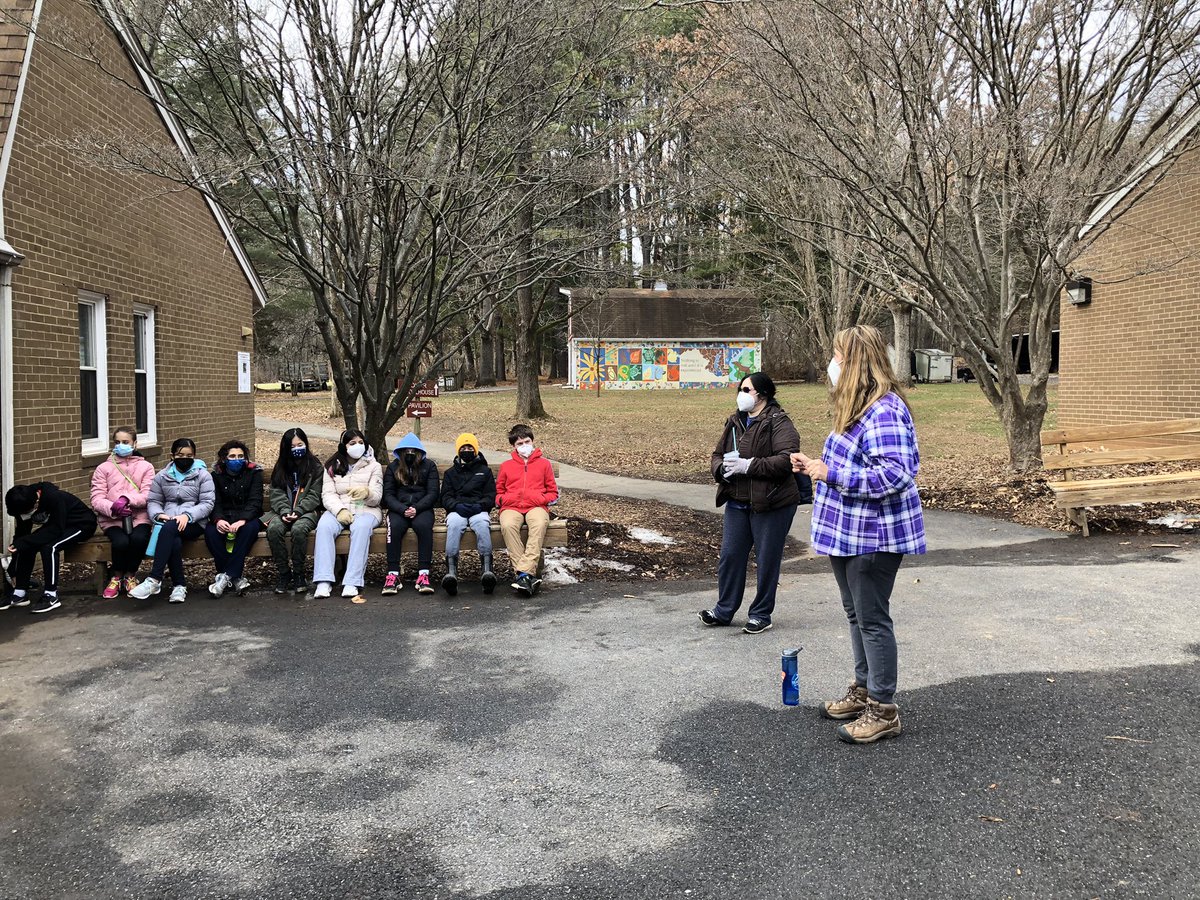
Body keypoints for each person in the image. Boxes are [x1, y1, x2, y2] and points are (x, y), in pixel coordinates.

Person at [792, 324, 926, 745]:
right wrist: (817, 466)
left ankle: (884, 710)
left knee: (872, 619)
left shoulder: (884, 410)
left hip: (873, 535)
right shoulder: (856, 408)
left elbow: (896, 474)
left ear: (855, 362)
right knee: (857, 615)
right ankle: (864, 690)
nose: (831, 363)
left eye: (837, 356)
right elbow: (854, 464)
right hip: (846, 533)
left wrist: (831, 473)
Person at [698, 372, 800, 634]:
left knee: (767, 559)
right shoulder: (735, 421)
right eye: (740, 389)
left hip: (771, 503)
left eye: (746, 390)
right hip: (737, 500)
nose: (741, 395)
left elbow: (787, 460)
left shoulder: (779, 422)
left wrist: (748, 466)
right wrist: (721, 469)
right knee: (730, 556)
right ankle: (724, 610)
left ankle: (761, 614)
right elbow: (717, 454)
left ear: (762, 394)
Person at [130, 438, 216, 604]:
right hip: (169, 521)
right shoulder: (162, 476)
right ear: (172, 456)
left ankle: (154, 579)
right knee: (173, 541)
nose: (185, 458)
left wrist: (187, 516)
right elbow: (154, 501)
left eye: (189, 455)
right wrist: (159, 515)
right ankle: (179, 586)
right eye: (180, 455)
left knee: (168, 530)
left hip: (194, 523)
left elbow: (207, 503)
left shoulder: (203, 475)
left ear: (194, 456)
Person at [2, 482, 97, 614]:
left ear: (35, 503)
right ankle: (19, 593)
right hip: (58, 525)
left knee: (50, 548)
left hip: (81, 524)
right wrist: (13, 568)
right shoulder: (21, 503)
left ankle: (51, 595)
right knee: (26, 545)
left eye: (26, 513)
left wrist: (24, 541)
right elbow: (22, 536)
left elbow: (56, 530)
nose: (24, 516)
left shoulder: (54, 498)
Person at [311, 429, 383, 599]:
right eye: (352, 443)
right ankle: (323, 580)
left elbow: (377, 497)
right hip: (339, 509)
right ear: (344, 446)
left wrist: (367, 493)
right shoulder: (331, 466)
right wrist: (340, 510)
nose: (357, 446)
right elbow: (328, 494)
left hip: (366, 509)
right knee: (324, 527)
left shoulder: (374, 466)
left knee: (361, 528)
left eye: (360, 442)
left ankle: (352, 581)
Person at [90, 426, 156, 599]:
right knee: (120, 542)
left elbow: (148, 494)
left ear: (135, 443)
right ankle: (117, 576)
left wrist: (128, 499)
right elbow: (96, 498)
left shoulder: (146, 467)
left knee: (139, 539)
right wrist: (113, 507)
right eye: (117, 442)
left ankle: (130, 575)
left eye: (126, 442)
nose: (121, 445)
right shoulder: (103, 468)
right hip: (112, 519)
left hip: (139, 516)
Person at [495, 424, 558, 597]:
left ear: (532, 441)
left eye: (527, 441)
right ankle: (526, 576)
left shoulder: (544, 464)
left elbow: (553, 492)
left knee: (539, 524)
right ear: (513, 446)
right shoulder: (506, 466)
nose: (524, 446)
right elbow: (499, 492)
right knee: (508, 526)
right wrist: (503, 500)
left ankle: (523, 574)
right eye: (519, 443)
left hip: (536, 506)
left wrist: (540, 499)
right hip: (511, 506)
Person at [265, 428, 324, 594]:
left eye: (300, 444)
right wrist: (285, 511)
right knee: (274, 529)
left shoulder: (315, 467)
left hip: (307, 512)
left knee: (299, 529)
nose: (297, 448)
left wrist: (298, 511)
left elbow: (314, 495)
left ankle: (299, 573)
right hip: (282, 512)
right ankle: (284, 573)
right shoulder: (281, 467)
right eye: (292, 446)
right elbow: (276, 493)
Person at [439, 432, 497, 595]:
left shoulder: (485, 471)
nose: (466, 450)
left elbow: (490, 495)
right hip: (458, 510)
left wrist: (480, 506)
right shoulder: (450, 473)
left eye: (470, 447)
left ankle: (487, 570)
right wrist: (456, 506)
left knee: (482, 524)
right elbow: (445, 497)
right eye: (463, 448)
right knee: (454, 525)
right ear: (458, 450)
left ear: (475, 449)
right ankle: (451, 572)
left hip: (479, 509)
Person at [204, 439, 264, 597]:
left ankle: (224, 577)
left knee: (249, 530)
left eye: (240, 456)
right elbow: (214, 501)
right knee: (211, 532)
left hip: (247, 517)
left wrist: (243, 520)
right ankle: (236, 578)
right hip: (224, 517)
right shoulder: (216, 475)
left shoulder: (254, 473)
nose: (237, 459)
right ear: (224, 458)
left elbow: (255, 501)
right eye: (232, 456)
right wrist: (218, 520)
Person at [381, 433, 439, 595]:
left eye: (413, 451)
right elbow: (388, 494)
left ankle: (424, 574)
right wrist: (402, 509)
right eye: (406, 451)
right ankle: (393, 574)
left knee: (424, 526)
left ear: (420, 452)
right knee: (394, 528)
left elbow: (433, 493)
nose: (410, 454)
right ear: (400, 452)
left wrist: (417, 508)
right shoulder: (393, 468)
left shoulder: (429, 466)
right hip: (398, 509)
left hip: (422, 509)